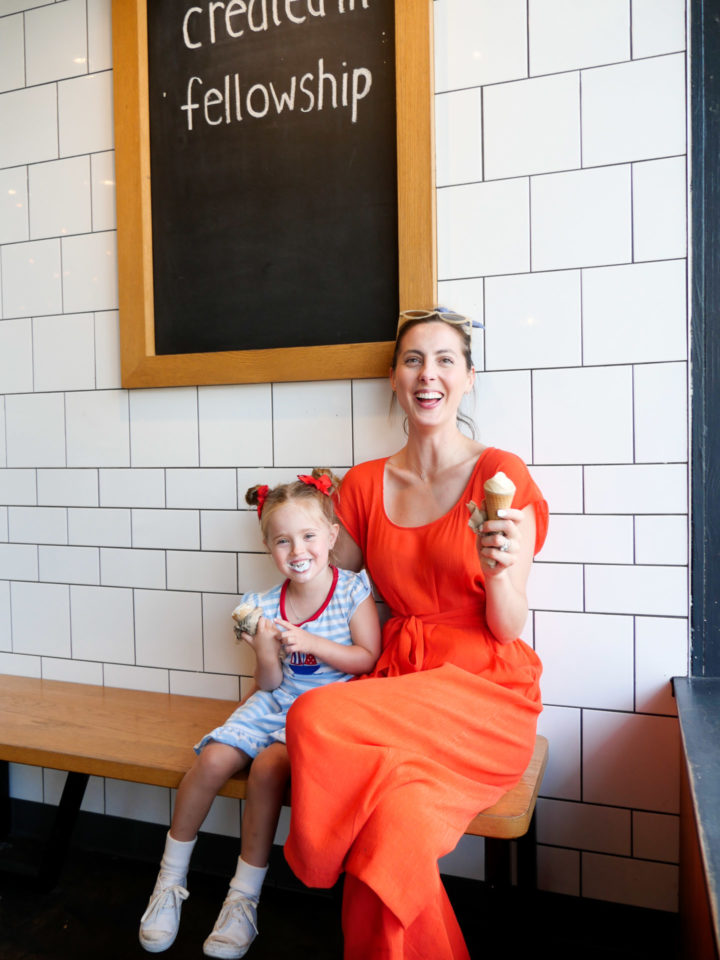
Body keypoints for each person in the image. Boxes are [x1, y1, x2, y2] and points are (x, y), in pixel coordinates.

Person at [283, 310, 549, 960]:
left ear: (468, 379)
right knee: (390, 832)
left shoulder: (501, 476)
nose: (427, 374)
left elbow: (510, 623)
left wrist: (501, 572)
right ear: (396, 380)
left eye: (445, 360)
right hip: (397, 690)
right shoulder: (367, 484)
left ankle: (313, 856)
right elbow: (329, 590)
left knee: (316, 717)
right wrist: (299, 531)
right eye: (412, 360)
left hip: (482, 696)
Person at [139, 469, 381, 959]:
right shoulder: (263, 606)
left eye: (309, 536)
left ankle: (242, 898)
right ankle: (169, 880)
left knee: (269, 770)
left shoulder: (352, 590)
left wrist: (312, 642)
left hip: (322, 711)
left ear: (332, 536)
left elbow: (368, 657)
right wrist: (266, 650)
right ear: (268, 546)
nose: (298, 551)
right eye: (283, 541)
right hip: (272, 702)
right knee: (210, 762)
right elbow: (268, 683)